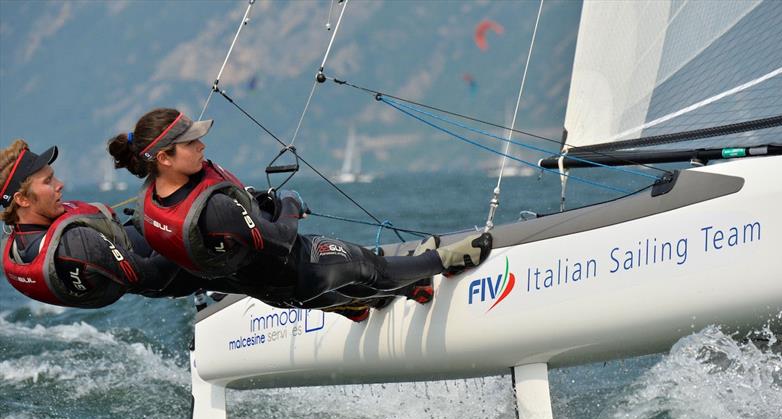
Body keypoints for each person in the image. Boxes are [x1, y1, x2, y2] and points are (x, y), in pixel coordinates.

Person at [108, 108, 492, 321]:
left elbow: (198, 259)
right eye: (191, 143)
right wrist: (290, 204)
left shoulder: (150, 209)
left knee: (354, 295)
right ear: (163, 158)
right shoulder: (215, 210)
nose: (202, 145)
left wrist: (255, 204)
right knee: (372, 267)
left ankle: (375, 304)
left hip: (277, 295)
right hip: (304, 270)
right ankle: (445, 262)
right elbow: (278, 240)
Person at [1, 139, 217, 308]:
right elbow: (155, 277)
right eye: (48, 181)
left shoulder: (21, 240)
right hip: (176, 269)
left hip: (146, 244)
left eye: (54, 177)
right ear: (22, 200)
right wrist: (185, 229)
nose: (60, 185)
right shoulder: (74, 247)